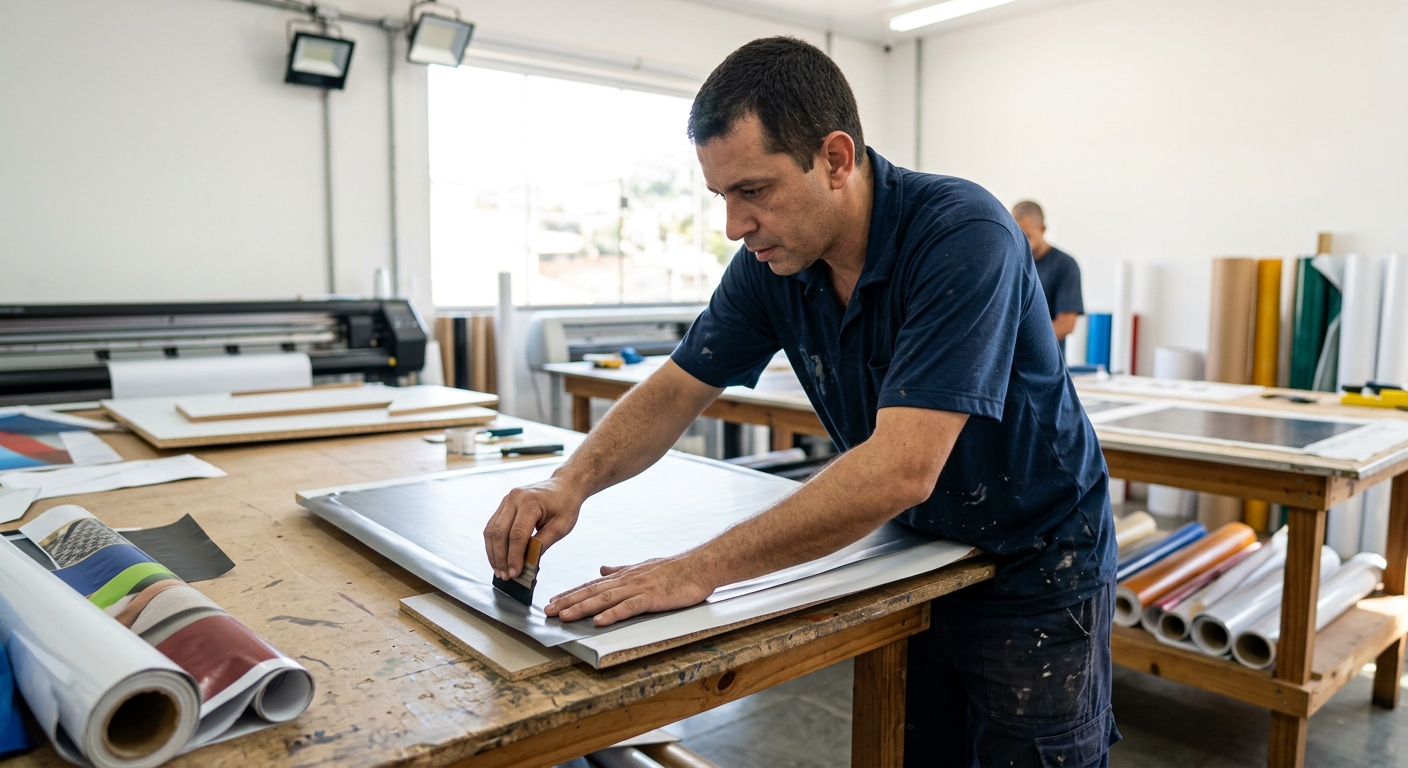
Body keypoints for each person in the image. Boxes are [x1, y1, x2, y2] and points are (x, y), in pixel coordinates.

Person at [483, 37, 1119, 767]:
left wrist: (697, 568)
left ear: (836, 160)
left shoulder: (962, 235)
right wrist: (568, 481)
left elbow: (902, 467)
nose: (735, 225)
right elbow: (677, 387)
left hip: (1037, 557)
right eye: (723, 197)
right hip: (917, 552)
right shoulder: (772, 264)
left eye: (753, 191)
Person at [1012, 200, 1084, 345]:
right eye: (1017, 236)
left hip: (1042, 356)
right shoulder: (1011, 264)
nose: (1021, 242)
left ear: (1042, 229)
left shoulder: (1065, 265)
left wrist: (1024, 344)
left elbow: (1066, 324)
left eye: (1027, 236)